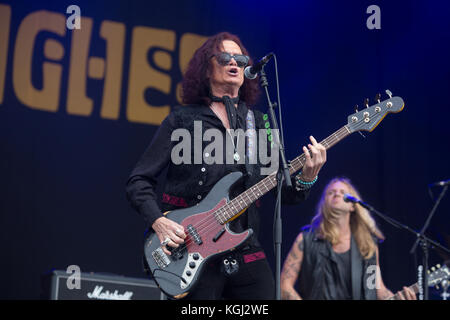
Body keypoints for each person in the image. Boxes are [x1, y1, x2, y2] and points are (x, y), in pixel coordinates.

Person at [125, 31, 327, 300]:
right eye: (224, 57)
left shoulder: (260, 123)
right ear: (206, 69)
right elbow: (139, 181)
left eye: (241, 59)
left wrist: (307, 177)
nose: (235, 63)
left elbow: (283, 192)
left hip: (245, 247)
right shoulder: (182, 120)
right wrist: (159, 223)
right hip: (191, 247)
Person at [280, 177, 417, 300]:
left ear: (353, 205)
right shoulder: (306, 239)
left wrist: (398, 298)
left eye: (342, 192)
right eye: (331, 192)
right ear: (324, 203)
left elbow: (376, 287)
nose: (337, 194)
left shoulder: (367, 245)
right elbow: (284, 286)